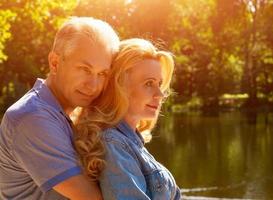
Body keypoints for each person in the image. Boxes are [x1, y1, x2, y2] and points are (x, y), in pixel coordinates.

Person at [0, 16, 119, 200]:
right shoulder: (32, 117)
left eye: (102, 73)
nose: (93, 85)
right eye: (85, 69)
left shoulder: (72, 114)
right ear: (54, 63)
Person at [74, 38, 181, 199]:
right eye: (148, 83)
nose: (159, 95)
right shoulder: (112, 143)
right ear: (119, 87)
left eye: (159, 84)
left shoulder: (129, 141)